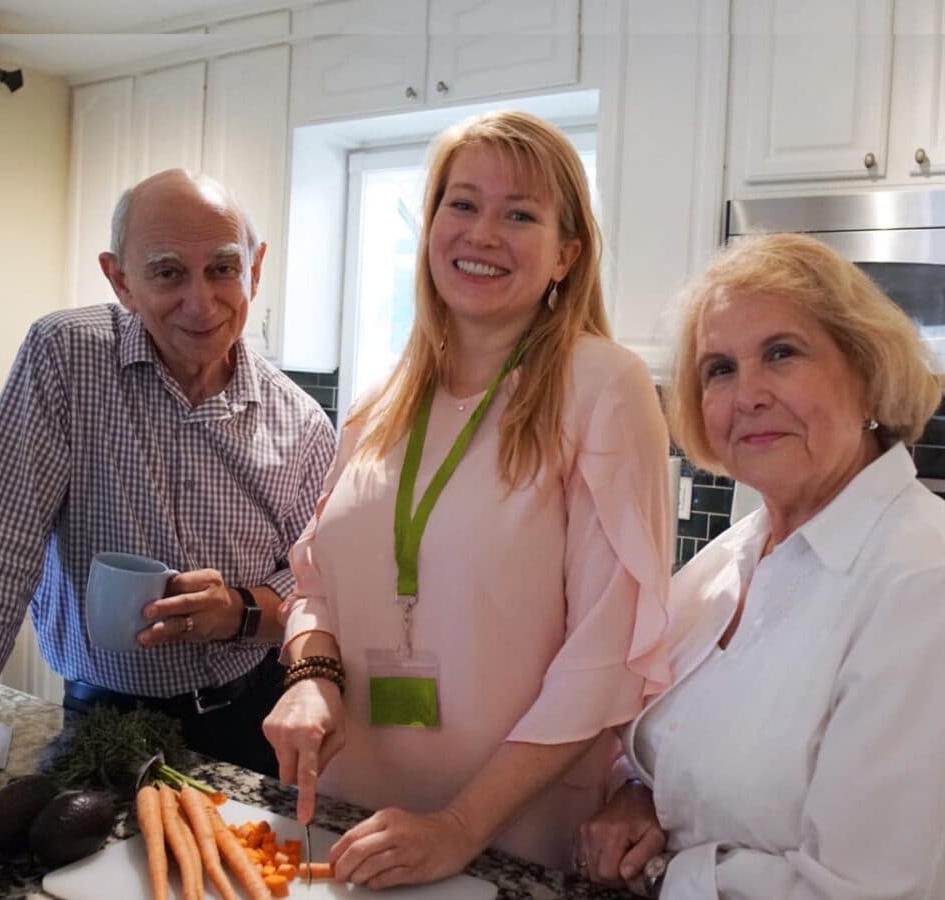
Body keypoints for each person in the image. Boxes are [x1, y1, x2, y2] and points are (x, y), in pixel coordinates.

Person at [262, 110, 673, 887]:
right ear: (429, 228)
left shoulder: (603, 386)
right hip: (351, 817)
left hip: (507, 836)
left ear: (566, 255)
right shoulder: (382, 397)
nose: (483, 233)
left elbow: (605, 654)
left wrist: (458, 827)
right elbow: (315, 586)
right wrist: (311, 677)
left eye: (520, 213)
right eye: (463, 204)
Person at [0, 169, 335, 811]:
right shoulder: (65, 358)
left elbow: (317, 591)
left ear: (256, 270)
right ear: (120, 279)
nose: (202, 302)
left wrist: (235, 610)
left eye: (222, 269)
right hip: (101, 718)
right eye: (166, 272)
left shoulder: (302, 424)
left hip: (245, 721)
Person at [575, 232, 945, 898]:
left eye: (782, 353)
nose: (747, 395)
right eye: (719, 368)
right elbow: (664, 743)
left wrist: (665, 872)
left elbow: (861, 890)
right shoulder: (734, 555)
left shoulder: (922, 585)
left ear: (865, 373)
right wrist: (638, 794)